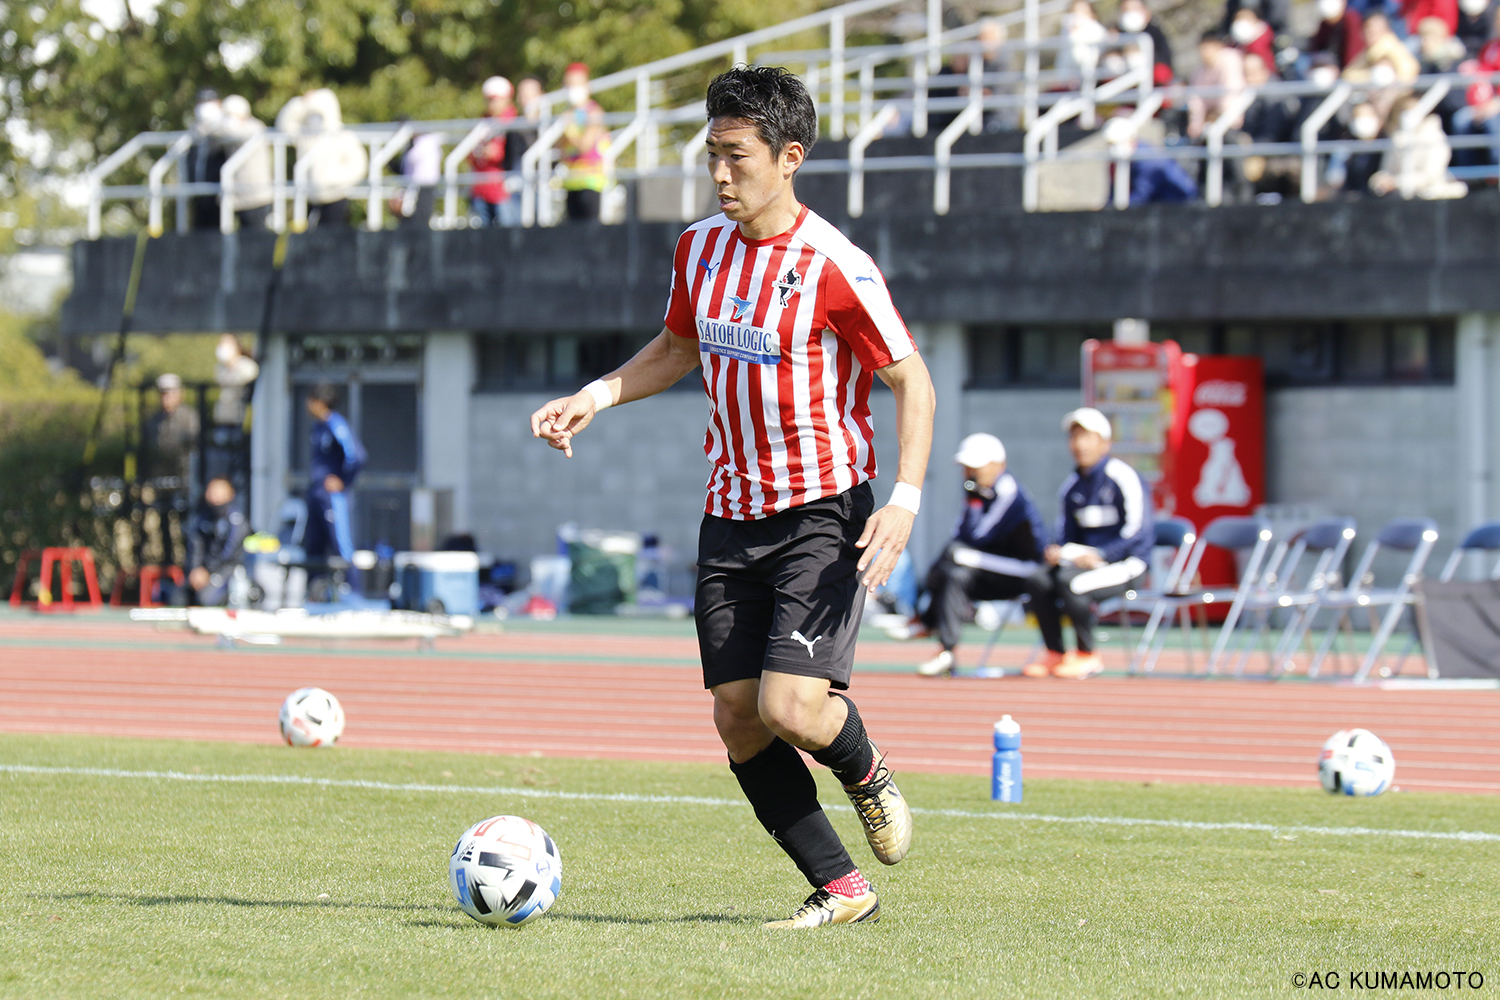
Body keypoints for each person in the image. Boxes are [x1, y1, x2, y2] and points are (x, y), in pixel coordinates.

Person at [529, 66, 935, 929]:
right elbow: (676, 349)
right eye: (711, 154)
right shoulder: (698, 249)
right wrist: (595, 396)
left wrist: (903, 499)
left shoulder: (836, 266)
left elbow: (912, 379)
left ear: (789, 157)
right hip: (730, 512)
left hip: (823, 511)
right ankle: (842, 888)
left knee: (790, 708)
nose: (719, 173)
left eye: (737, 156)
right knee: (739, 719)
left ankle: (864, 770)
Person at [898, 433, 1048, 678]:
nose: (970, 473)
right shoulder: (978, 491)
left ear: (998, 464)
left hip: (1024, 569)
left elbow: (978, 536)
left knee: (953, 555)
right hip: (986, 568)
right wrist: (975, 499)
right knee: (955, 575)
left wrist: (975, 502)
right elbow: (960, 534)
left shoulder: (1008, 491)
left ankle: (925, 621)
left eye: (975, 467)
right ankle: (947, 652)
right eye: (967, 468)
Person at [1021, 407, 1152, 680]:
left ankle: (1087, 654)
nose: (1079, 444)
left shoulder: (1123, 477)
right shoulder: (1072, 487)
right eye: (1074, 437)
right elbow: (1066, 535)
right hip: (1083, 565)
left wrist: (1102, 554)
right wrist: (1060, 552)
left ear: (1105, 443)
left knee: (1072, 583)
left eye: (1087, 437)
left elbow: (1138, 532)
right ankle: (1055, 653)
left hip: (1128, 564)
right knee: (1037, 580)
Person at [303, 384, 366, 592]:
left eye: (311, 400)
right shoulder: (317, 427)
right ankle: (315, 594)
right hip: (316, 494)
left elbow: (357, 456)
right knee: (313, 545)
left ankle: (354, 593)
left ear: (320, 402)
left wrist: (343, 480)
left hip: (332, 497)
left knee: (342, 545)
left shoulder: (336, 424)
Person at [276, 88, 368, 228]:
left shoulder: (343, 136)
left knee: (334, 236)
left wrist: (331, 181)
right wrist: (301, 102)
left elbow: (358, 167)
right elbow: (283, 125)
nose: (314, 119)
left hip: (336, 197)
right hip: (312, 199)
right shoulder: (306, 136)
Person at [143, 373, 200, 569]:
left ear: (179, 394)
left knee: (186, 523)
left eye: (170, 393)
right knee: (163, 523)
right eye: (163, 393)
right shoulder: (153, 421)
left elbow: (192, 448)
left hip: (185, 481)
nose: (166, 397)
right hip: (161, 482)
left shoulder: (189, 417)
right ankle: (168, 562)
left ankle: (190, 564)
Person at [1369, 94, 1469, 197]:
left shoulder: (1435, 137)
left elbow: (1431, 176)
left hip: (1429, 194)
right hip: (1398, 195)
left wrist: (1397, 182)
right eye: (1404, 110)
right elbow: (1387, 169)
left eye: (1413, 110)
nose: (1408, 114)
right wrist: (1380, 180)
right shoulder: (1396, 138)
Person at [557, 63, 610, 221]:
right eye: (568, 84)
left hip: (591, 181)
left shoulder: (594, 111)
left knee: (590, 229)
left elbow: (584, 146)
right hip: (572, 181)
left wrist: (569, 129)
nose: (572, 89)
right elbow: (560, 150)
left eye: (576, 84)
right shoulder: (567, 113)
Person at [187, 477, 250, 606]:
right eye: (211, 490)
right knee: (179, 597)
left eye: (218, 490)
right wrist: (196, 568)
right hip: (203, 572)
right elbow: (196, 545)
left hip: (226, 570)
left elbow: (229, 553)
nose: (213, 494)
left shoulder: (236, 521)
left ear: (230, 493)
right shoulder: (203, 517)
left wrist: (208, 571)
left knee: (206, 599)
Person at [216, 95, 273, 231]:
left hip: (256, 197)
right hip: (238, 196)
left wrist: (219, 126)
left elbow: (233, 134)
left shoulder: (254, 128)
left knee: (256, 237)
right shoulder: (228, 131)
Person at [209, 334, 258, 489]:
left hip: (239, 423)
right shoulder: (221, 368)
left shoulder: (247, 367)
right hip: (223, 422)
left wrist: (233, 364)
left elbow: (246, 379)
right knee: (220, 464)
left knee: (238, 466)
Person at [470, 76, 519, 227]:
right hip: (481, 188)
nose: (491, 104)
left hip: (503, 190)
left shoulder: (514, 121)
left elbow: (504, 153)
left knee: (508, 232)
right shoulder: (483, 121)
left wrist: (490, 152)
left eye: (495, 99)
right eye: (488, 100)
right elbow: (471, 153)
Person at [1188, 32, 1246, 139]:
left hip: (1234, 119)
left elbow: (1230, 92)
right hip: (1210, 118)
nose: (1204, 52)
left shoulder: (1230, 60)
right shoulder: (1199, 70)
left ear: (1218, 46)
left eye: (1208, 47)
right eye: (1202, 48)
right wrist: (1196, 125)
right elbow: (1196, 100)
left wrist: (1224, 119)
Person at [185, 89, 226, 230]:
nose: (204, 106)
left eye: (209, 101)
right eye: (201, 102)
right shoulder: (194, 132)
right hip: (198, 195)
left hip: (219, 196)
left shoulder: (226, 129)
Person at [1116, 0, 1175, 84]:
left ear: (1146, 12)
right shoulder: (1116, 33)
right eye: (1126, 10)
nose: (1131, 13)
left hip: (1152, 83)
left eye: (1135, 9)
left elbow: (1164, 69)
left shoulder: (1154, 33)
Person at [399, 130, 442, 229]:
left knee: (422, 215)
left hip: (424, 185)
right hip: (418, 185)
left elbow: (411, 158)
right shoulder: (427, 142)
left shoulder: (425, 143)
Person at [1310, 0, 1367, 68]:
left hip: (1347, 66)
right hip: (1329, 63)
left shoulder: (1351, 20)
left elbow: (1353, 52)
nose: (1330, 21)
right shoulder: (1324, 24)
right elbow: (1317, 47)